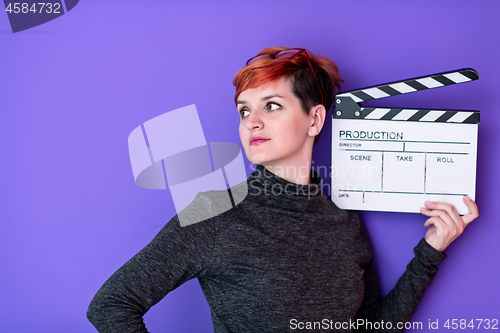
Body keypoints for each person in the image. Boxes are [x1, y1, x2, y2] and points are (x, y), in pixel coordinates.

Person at [87, 47, 479, 332]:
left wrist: (430, 251)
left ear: (314, 119)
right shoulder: (215, 211)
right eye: (244, 110)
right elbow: (111, 307)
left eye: (271, 105)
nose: (252, 122)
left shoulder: (342, 217)